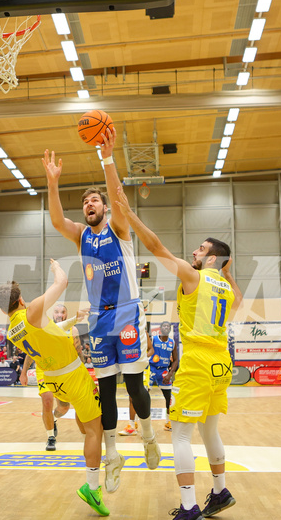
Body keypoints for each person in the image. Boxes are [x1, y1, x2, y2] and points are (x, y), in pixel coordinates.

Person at [113, 186, 242, 520]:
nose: (195, 252)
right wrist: (226, 269)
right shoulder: (228, 288)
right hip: (222, 363)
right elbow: (237, 300)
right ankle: (219, 491)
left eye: (201, 249)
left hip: (199, 361)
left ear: (211, 259)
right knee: (210, 429)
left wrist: (129, 214)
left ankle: (189, 507)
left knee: (181, 436)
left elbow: (156, 248)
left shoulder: (194, 276)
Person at [43, 134, 161, 494]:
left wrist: (107, 160)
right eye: (86, 202)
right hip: (98, 317)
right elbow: (56, 220)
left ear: (105, 207)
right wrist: (52, 182)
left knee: (134, 384)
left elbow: (118, 199)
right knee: (105, 389)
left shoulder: (118, 228)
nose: (89, 204)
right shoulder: (81, 236)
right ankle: (112, 456)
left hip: (127, 312)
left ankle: (148, 435)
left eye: (95, 199)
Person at [0, 260, 109, 516]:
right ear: (22, 299)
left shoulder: (13, 329)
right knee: (95, 430)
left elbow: (50, 332)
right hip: (73, 376)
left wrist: (72, 320)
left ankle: (94, 456)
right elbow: (62, 283)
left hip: (54, 381)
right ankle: (93, 487)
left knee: (85, 422)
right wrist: (57, 268)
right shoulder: (32, 310)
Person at [20, 302, 82, 451]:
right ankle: (50, 437)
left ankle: (53, 419)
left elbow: (79, 352)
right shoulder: (43, 329)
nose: (59, 314)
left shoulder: (73, 330)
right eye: (57, 312)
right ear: (52, 314)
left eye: (62, 312)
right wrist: (23, 373)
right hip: (44, 370)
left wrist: (83, 372)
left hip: (63, 372)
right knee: (47, 400)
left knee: (64, 407)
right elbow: (31, 353)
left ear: (66, 315)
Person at [150, 321, 178, 431]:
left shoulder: (172, 342)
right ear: (160, 329)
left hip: (164, 371)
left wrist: (170, 373)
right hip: (151, 368)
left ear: (170, 329)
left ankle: (168, 422)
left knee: (169, 397)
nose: (166, 327)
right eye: (164, 326)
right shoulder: (153, 339)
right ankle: (137, 423)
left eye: (168, 326)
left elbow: (175, 360)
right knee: (143, 395)